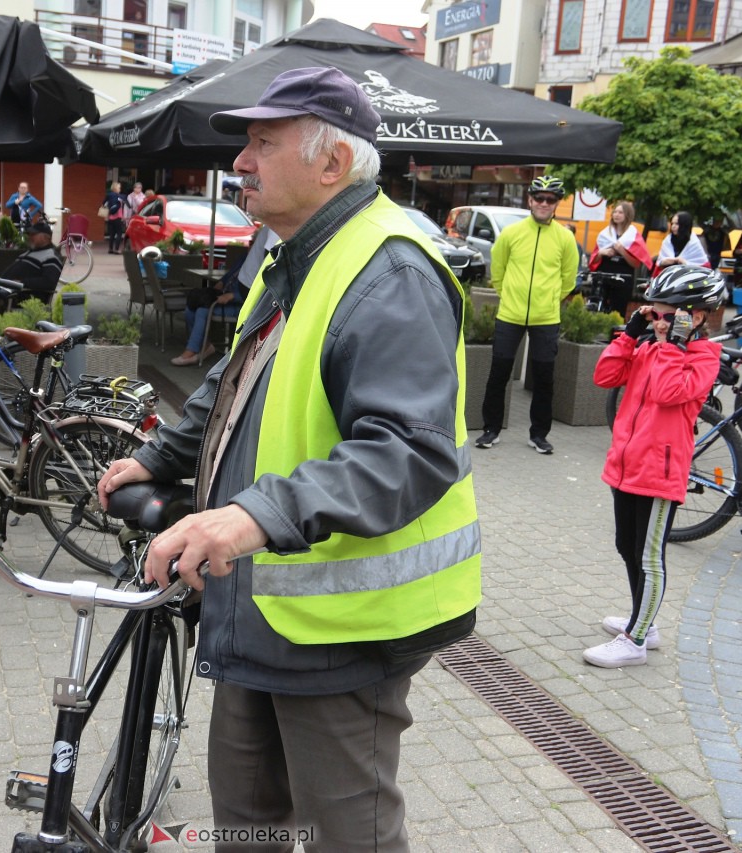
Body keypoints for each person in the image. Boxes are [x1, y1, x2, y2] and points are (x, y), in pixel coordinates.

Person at [96, 66, 480, 850]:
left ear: (332, 164)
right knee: (249, 821)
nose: (241, 162)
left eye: (263, 144)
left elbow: (409, 451)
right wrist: (162, 457)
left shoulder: (391, 269)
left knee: (348, 833)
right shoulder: (297, 254)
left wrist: (249, 517)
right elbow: (236, 377)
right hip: (263, 606)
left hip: (344, 628)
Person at [588, 266, 725, 667]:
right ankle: (643, 620)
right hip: (627, 466)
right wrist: (630, 334)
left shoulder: (704, 358)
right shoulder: (649, 346)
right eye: (656, 311)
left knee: (649, 558)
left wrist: (671, 346)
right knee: (625, 546)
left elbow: (669, 392)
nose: (658, 320)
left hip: (659, 475)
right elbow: (605, 375)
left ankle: (636, 641)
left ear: (694, 317)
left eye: (668, 314)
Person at [475, 175, 579, 455]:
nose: (544, 203)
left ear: (557, 203)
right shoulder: (511, 233)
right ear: (530, 200)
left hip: (546, 318)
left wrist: (550, 300)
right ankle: (491, 429)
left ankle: (539, 434)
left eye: (551, 199)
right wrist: (507, 294)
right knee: (499, 372)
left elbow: (569, 278)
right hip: (510, 313)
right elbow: (497, 270)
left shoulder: (565, 238)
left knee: (545, 377)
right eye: (540, 198)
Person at [168, 226, 277, 366]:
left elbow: (254, 292)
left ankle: (192, 350)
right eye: (250, 243)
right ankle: (203, 344)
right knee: (192, 306)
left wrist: (232, 296)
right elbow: (229, 275)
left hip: (238, 303)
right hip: (225, 295)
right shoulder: (244, 259)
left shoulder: (260, 263)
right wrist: (220, 284)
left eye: (253, 243)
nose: (250, 247)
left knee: (203, 310)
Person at [589, 201, 651, 315]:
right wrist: (601, 253)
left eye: (620, 212)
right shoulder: (604, 234)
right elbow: (594, 261)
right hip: (604, 276)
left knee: (618, 311)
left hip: (623, 278)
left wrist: (622, 251)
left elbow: (636, 264)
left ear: (627, 215)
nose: (616, 215)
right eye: (615, 212)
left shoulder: (633, 236)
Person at [0, 219, 61, 304]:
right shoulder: (31, 252)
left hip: (19, 296)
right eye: (29, 234)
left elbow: (50, 282)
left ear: (46, 237)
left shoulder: (51, 256)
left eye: (33, 234)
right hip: (3, 290)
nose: (30, 237)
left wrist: (22, 282)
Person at [103, 180, 126, 254]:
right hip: (118, 217)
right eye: (119, 187)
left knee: (112, 234)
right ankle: (116, 249)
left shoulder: (108, 195)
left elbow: (104, 204)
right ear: (116, 188)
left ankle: (110, 249)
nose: (120, 189)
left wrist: (106, 215)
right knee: (119, 233)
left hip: (110, 218)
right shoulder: (120, 196)